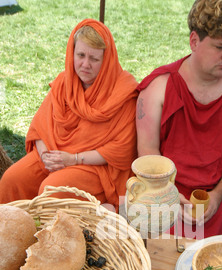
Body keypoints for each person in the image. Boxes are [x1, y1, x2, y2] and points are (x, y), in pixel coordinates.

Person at [136, 0, 222, 238]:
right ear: (194, 41)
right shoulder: (159, 87)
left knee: (211, 265)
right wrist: (168, 193)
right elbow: (147, 149)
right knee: (166, 259)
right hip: (165, 190)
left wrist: (217, 195)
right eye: (220, 47)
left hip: (216, 194)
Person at [0, 19, 138, 209]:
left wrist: (73, 159)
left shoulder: (123, 93)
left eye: (94, 59)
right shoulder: (64, 83)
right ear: (71, 53)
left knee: (52, 190)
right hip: (54, 155)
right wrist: (47, 156)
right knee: (12, 180)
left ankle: (51, 236)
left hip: (94, 167)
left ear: (107, 60)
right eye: (80, 55)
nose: (85, 64)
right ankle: (15, 233)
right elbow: (40, 128)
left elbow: (121, 150)